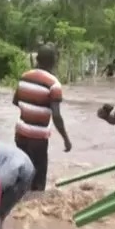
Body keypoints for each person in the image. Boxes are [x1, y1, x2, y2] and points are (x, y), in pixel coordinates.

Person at [13, 44, 72, 192]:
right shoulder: (54, 84)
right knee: (38, 182)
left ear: (37, 59)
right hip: (38, 139)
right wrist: (66, 138)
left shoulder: (24, 77)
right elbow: (56, 115)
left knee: (22, 176)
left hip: (20, 135)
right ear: (54, 62)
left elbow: (16, 101)